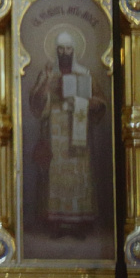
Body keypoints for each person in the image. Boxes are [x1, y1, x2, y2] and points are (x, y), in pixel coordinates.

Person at [26, 29, 109, 236]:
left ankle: (79, 223)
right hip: (54, 136)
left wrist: (86, 103)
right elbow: (36, 103)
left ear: (74, 50)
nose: (65, 53)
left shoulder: (85, 74)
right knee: (54, 176)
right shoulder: (48, 73)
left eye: (68, 49)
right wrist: (46, 82)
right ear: (56, 50)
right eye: (61, 49)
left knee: (79, 176)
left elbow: (101, 102)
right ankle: (55, 223)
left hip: (78, 133)